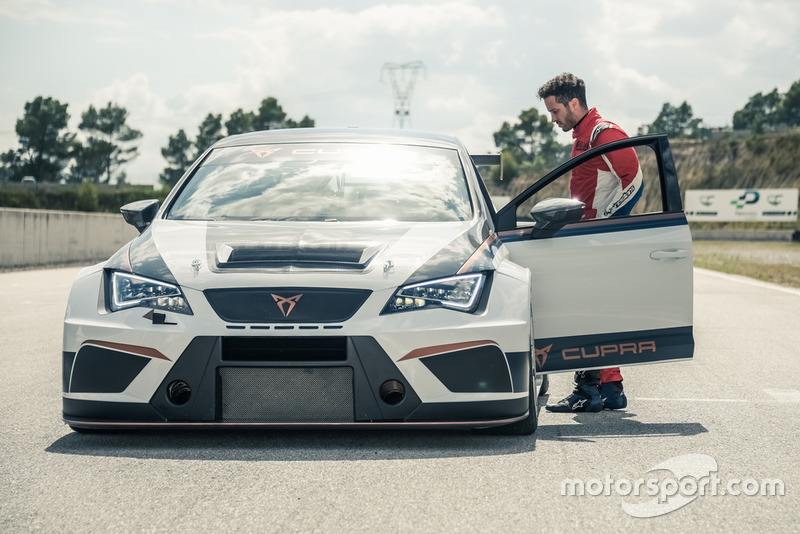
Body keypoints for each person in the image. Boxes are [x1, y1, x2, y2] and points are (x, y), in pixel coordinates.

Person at [537, 72, 642, 413]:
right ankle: (611, 390)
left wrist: (606, 224)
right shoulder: (582, 136)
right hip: (588, 238)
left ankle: (586, 390)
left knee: (585, 314)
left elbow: (636, 180)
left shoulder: (603, 133)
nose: (553, 119)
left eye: (555, 111)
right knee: (601, 314)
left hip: (597, 240)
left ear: (574, 102)